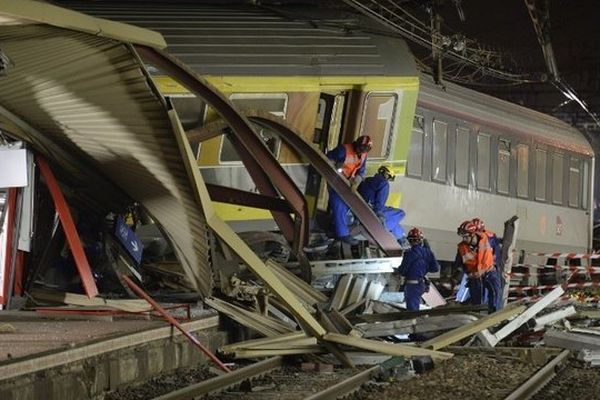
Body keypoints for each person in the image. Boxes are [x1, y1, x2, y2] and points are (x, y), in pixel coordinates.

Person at [326, 135, 372, 245]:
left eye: (364, 150)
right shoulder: (343, 150)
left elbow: (361, 171)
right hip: (336, 178)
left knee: (346, 205)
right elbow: (327, 158)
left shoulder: (364, 155)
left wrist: (356, 181)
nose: (361, 152)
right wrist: (335, 166)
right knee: (338, 203)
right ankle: (342, 234)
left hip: (348, 182)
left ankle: (333, 228)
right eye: (360, 148)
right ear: (356, 144)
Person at [455, 220, 502, 312]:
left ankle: (495, 315)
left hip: (489, 272)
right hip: (475, 277)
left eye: (465, 237)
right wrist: (461, 276)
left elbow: (492, 255)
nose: (464, 239)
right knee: (477, 302)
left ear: (472, 234)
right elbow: (460, 264)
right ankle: (478, 318)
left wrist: (482, 271)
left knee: (495, 294)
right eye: (462, 237)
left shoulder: (485, 239)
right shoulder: (462, 247)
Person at [358, 165, 407, 244]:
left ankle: (401, 238)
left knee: (393, 220)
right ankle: (396, 236)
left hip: (363, 207)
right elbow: (380, 202)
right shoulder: (384, 183)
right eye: (389, 177)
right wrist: (380, 216)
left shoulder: (367, 180)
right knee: (401, 213)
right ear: (386, 174)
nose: (388, 179)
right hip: (372, 210)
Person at [397, 227, 440, 311]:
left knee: (412, 311)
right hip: (422, 284)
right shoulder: (428, 252)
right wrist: (424, 268)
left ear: (409, 241)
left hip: (412, 286)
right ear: (421, 240)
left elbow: (402, 271)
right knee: (417, 305)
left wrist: (397, 270)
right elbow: (435, 268)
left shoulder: (409, 254)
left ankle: (414, 323)